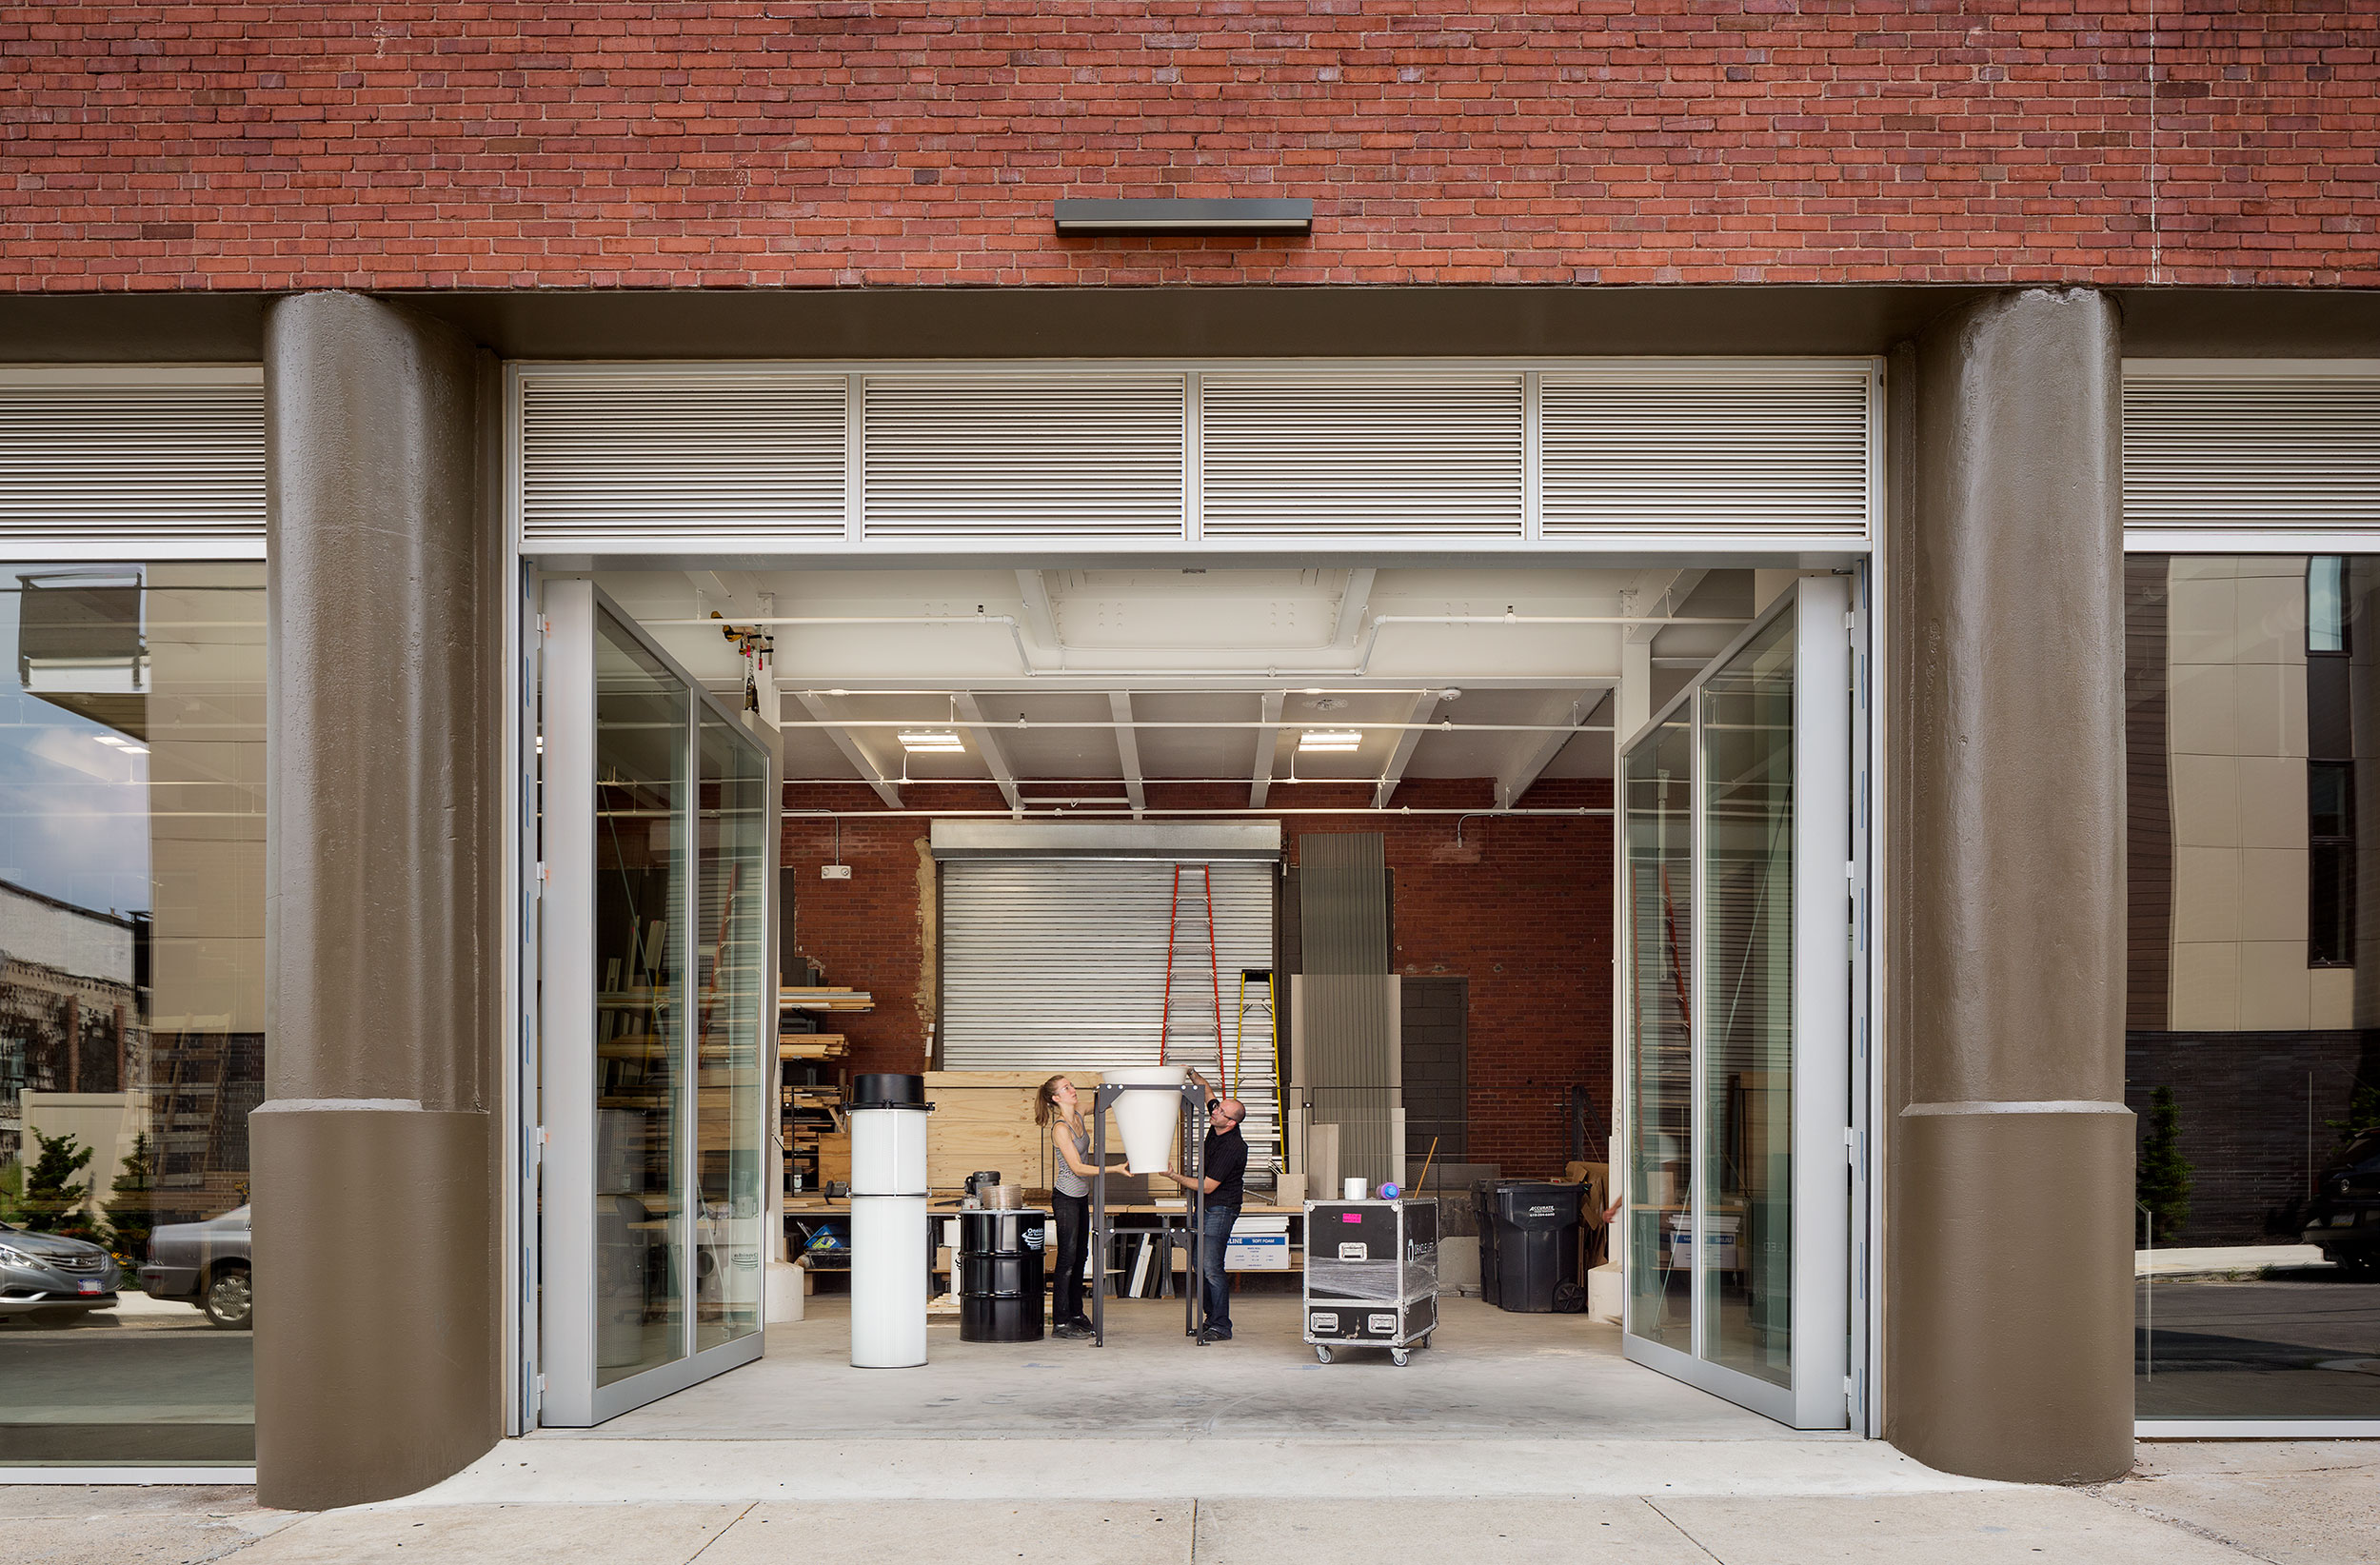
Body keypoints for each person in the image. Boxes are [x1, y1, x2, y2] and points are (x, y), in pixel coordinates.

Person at [1159, 1067, 1247, 1343]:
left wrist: (1173, 1176)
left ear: (1231, 1123)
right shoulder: (1219, 1121)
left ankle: (1221, 1325)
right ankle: (1211, 1319)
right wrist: (1192, 1074)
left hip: (1220, 1209)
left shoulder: (1233, 1147)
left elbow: (1208, 1186)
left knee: (1211, 1267)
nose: (1215, 1111)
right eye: (1217, 1108)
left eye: (1221, 1111)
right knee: (1200, 1264)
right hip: (1206, 1207)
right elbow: (1208, 1093)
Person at [1035, 1075, 1116, 1340]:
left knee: (1081, 1256)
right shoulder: (1060, 1128)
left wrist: (1118, 1088)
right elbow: (1078, 1168)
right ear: (1056, 1098)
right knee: (1067, 1260)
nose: (1072, 1090)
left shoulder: (1079, 1111)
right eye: (1066, 1088)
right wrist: (1114, 1169)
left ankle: (1075, 1313)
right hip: (1066, 1198)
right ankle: (1060, 1322)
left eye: (1071, 1085)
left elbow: (1105, 1102)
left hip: (1080, 1197)